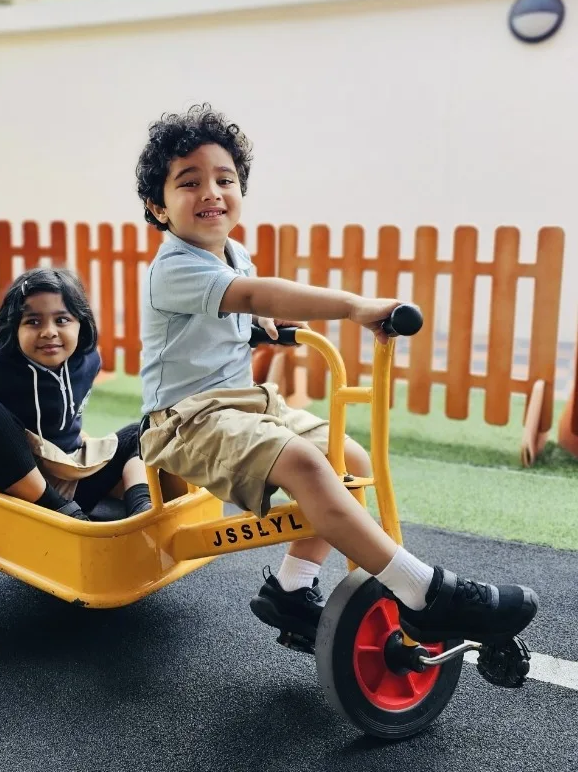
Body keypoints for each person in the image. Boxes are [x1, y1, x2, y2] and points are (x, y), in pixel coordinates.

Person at [135, 104, 538, 645]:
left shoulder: (233, 254)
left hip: (246, 403)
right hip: (185, 421)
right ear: (158, 207)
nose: (211, 192)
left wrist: (264, 328)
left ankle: (291, 587)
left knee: (348, 459)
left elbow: (239, 309)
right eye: (189, 183)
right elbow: (250, 296)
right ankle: (424, 593)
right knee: (305, 463)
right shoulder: (173, 267)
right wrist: (351, 306)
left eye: (224, 180)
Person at [0, 267, 152, 522]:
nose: (49, 332)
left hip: (69, 473)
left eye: (62, 320)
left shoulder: (88, 361)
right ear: (14, 327)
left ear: (81, 323)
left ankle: (142, 509)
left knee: (140, 432)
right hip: (15, 483)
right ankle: (65, 515)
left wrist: (74, 433)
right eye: (33, 322)